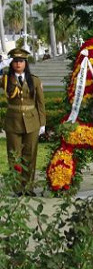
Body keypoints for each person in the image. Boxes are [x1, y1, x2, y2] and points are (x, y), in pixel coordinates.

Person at [2, 49, 46, 196]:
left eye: (21, 61)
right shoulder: (5, 79)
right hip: (13, 122)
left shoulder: (34, 80)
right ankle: (17, 188)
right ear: (11, 63)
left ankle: (28, 187)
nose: (18, 64)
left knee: (30, 155)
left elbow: (40, 103)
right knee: (14, 155)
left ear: (25, 63)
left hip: (32, 122)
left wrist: (42, 123)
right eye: (15, 61)